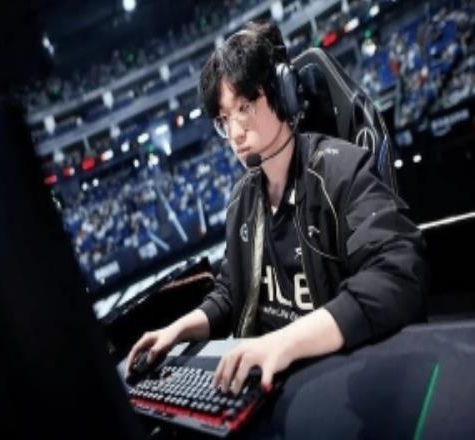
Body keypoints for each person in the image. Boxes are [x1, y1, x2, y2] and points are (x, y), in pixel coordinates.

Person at [126, 21, 427, 396]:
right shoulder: (242, 200)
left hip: (335, 378)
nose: (234, 133)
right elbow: (231, 291)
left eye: (244, 107)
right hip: (268, 385)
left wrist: (284, 343)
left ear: (283, 95)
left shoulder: (342, 170)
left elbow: (398, 273)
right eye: (224, 119)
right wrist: (177, 331)